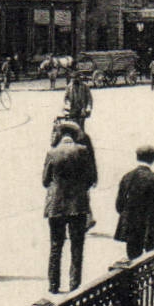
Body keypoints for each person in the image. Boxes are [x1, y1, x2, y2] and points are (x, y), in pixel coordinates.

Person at [42, 121, 94, 294]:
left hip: (56, 206)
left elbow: (45, 181)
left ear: (60, 135)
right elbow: (91, 178)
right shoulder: (83, 151)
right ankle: (74, 284)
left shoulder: (52, 152)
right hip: (78, 205)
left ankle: (53, 285)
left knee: (56, 246)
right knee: (77, 246)